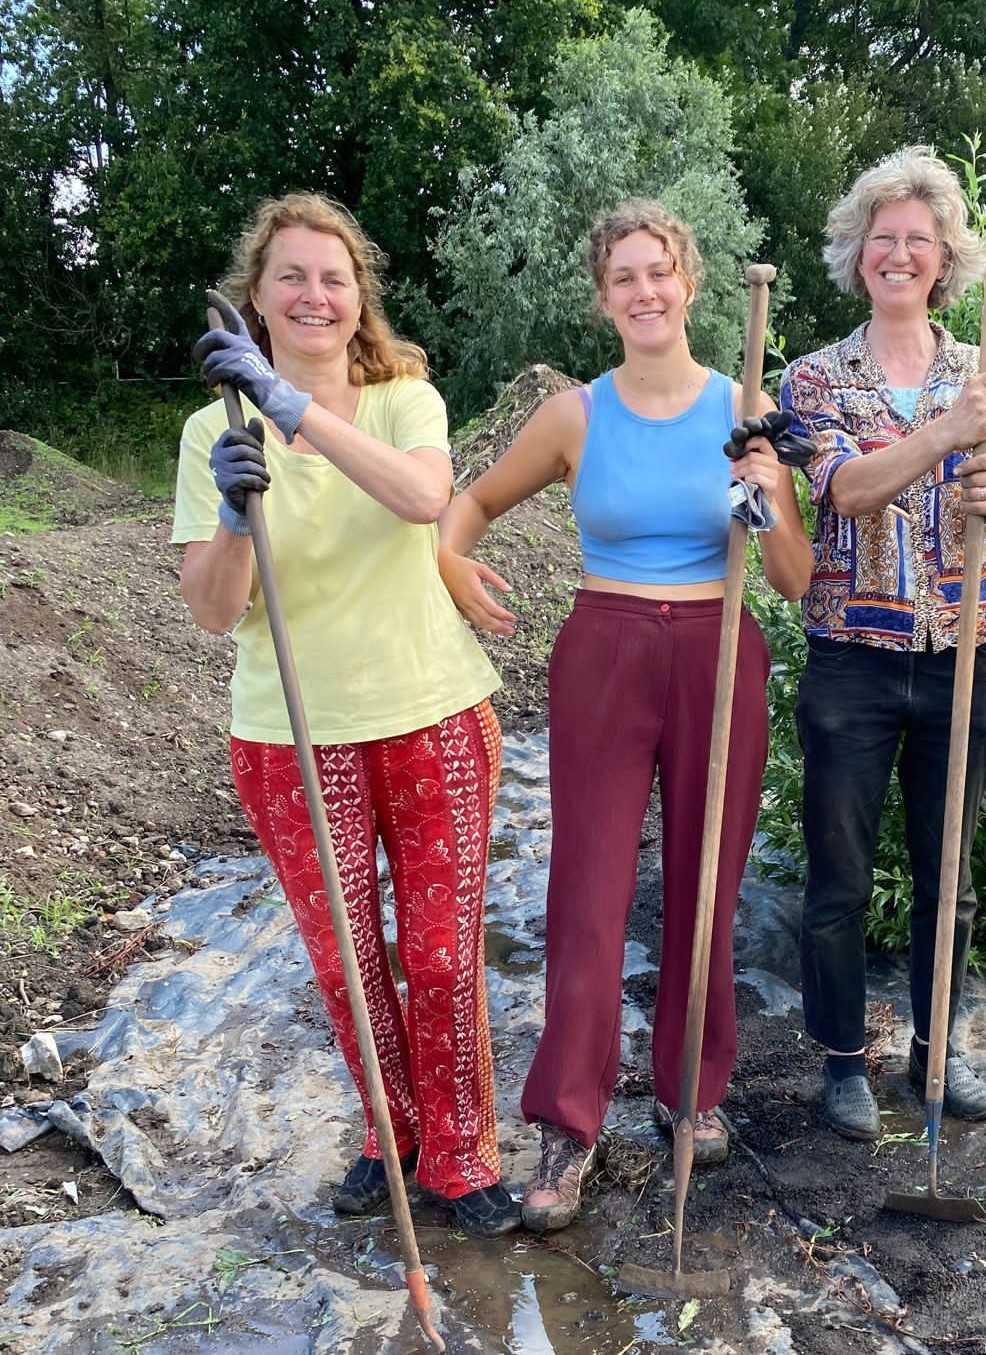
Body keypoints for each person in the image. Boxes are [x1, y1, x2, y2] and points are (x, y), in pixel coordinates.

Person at [436, 199, 812, 1232]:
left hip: (719, 644)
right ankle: (570, 1119)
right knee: (590, 892)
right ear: (604, 298)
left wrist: (768, 485)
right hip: (603, 649)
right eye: (625, 278)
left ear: (688, 281)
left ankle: (690, 1091)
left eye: (661, 271)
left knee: (705, 882)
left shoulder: (746, 403)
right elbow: (469, 504)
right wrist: (448, 555)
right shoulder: (574, 415)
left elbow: (790, 576)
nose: (646, 291)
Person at [173, 193, 519, 1237]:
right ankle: (394, 1131)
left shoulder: (406, 400)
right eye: (292, 276)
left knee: (444, 955)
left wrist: (289, 406)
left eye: (334, 277)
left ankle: (461, 1154)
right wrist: (237, 514)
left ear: (358, 296)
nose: (314, 294)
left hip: (431, 712)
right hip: (289, 733)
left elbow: (421, 499)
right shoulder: (206, 432)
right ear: (258, 297)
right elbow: (212, 610)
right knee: (346, 961)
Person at [780, 147, 986, 1142]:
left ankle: (936, 1044)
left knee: (949, 877)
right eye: (881, 239)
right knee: (840, 874)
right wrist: (942, 434)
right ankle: (844, 1059)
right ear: (857, 254)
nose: (898, 254)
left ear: (945, 259)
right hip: (852, 661)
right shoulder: (813, 379)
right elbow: (843, 488)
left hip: (964, 649)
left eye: (917, 241)